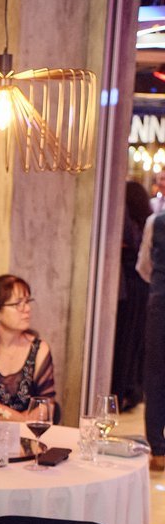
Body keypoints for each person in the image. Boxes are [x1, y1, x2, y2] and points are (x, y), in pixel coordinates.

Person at [0, 274, 57, 420]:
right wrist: (25, 421)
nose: (27, 309)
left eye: (27, 302)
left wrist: (22, 423)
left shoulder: (39, 349)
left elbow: (47, 403)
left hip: (32, 433)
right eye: (18, 304)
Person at [111, 181, 150, 412]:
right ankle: (127, 393)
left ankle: (118, 395)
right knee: (132, 344)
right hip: (140, 287)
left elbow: (131, 241)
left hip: (129, 287)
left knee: (124, 342)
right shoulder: (147, 221)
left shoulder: (130, 221)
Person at [139, 211, 165, 470]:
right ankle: (157, 448)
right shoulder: (154, 221)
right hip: (160, 306)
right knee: (156, 374)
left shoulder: (155, 222)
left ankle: (158, 450)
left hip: (161, 302)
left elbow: (144, 267)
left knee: (156, 374)